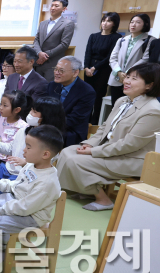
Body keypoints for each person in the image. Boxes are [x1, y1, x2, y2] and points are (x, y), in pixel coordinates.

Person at [57, 63, 160, 211]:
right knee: (68, 152)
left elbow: (129, 145)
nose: (126, 81)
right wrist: (91, 144)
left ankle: (103, 199)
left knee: (76, 161)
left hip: (133, 158)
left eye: (134, 79)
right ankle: (86, 189)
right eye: (127, 76)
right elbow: (104, 127)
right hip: (111, 150)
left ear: (149, 85)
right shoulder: (122, 101)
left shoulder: (153, 111)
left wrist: (93, 152)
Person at [0, 125, 64, 246]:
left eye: (28, 147)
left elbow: (26, 207)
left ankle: (2, 248)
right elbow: (17, 185)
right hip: (16, 202)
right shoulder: (30, 165)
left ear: (45, 154)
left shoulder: (48, 182)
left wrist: (0, 211)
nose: (24, 150)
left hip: (31, 217)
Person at [0, 97, 66, 186]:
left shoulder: (50, 141)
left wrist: (25, 163)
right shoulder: (23, 130)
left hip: (25, 176)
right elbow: (11, 148)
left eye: (34, 112)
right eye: (31, 110)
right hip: (7, 168)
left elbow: (44, 165)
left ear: (47, 116)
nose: (30, 114)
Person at [0, 46, 47, 130]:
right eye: (15, 61)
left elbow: (33, 109)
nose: (16, 65)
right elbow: (5, 98)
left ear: (31, 62)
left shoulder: (40, 82)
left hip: (22, 121)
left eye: (19, 61)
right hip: (5, 117)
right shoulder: (12, 77)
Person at [108, 13, 155, 107]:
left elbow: (145, 59)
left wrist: (128, 74)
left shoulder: (150, 40)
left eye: (138, 22)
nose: (133, 25)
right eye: (132, 22)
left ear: (145, 24)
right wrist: (119, 72)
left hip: (134, 79)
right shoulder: (122, 39)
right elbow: (112, 58)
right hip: (117, 78)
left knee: (130, 107)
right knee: (116, 106)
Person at [47, 56, 96, 146]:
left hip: (71, 132)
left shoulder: (87, 91)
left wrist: (47, 123)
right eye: (56, 69)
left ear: (75, 72)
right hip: (51, 126)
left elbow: (74, 120)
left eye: (61, 71)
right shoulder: (52, 85)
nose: (56, 73)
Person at [84, 12, 122, 125]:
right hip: (89, 69)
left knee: (98, 95)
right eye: (104, 20)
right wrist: (86, 67)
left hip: (104, 69)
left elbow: (110, 56)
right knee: (87, 94)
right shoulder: (93, 36)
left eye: (109, 21)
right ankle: (86, 117)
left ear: (114, 24)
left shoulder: (117, 37)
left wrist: (95, 68)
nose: (105, 23)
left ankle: (95, 120)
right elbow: (88, 53)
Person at [0, 90, 30, 168]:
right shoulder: (2, 118)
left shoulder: (22, 127)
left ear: (17, 110)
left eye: (5, 105)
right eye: (1, 104)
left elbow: (14, 148)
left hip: (8, 163)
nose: (0, 108)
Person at [33, 0, 75, 81]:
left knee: (48, 89)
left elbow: (64, 44)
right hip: (38, 62)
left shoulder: (68, 24)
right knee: (35, 87)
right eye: (52, 5)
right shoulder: (43, 23)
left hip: (52, 63)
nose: (52, 8)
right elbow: (36, 40)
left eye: (56, 6)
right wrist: (39, 53)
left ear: (64, 9)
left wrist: (45, 55)